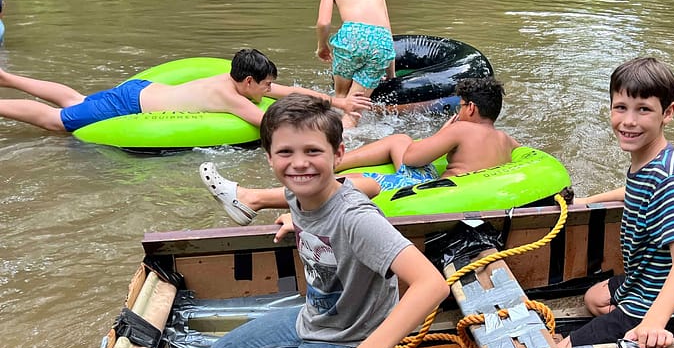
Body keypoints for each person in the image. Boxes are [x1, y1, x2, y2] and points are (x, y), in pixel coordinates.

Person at [205, 93, 449, 348]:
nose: (299, 163)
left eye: (312, 151)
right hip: (315, 319)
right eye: (285, 152)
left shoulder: (355, 218)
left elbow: (432, 284)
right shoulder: (298, 193)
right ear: (269, 158)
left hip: (352, 336)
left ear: (338, 154)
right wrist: (301, 222)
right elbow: (367, 185)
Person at [200, 76, 519, 225]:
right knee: (398, 140)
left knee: (375, 174)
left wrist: (447, 131)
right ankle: (329, 164)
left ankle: (252, 198)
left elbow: (412, 159)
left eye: (462, 106)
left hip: (434, 194)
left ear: (472, 109)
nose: (459, 110)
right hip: (466, 194)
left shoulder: (462, 128)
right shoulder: (506, 140)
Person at [557, 57, 674, 348]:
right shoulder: (656, 161)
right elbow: (634, 190)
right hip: (652, 281)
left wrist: (653, 322)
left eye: (644, 109)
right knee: (594, 298)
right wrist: (586, 201)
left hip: (670, 301)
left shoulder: (667, 181)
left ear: (668, 113)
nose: (629, 121)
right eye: (621, 107)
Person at [0, 48, 369, 134]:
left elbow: (289, 91)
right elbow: (271, 126)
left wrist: (338, 101)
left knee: (75, 99)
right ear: (248, 83)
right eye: (266, 84)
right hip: (131, 105)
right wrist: (341, 126)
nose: (271, 89)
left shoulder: (236, 80)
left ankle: (6, 77)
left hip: (140, 90)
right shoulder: (232, 97)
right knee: (58, 122)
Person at [316, 0, 395, 128]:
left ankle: (328, 142)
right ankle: (348, 146)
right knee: (354, 112)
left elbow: (323, 22)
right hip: (381, 42)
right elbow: (387, 31)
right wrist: (391, 74)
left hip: (352, 36)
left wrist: (322, 46)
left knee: (342, 99)